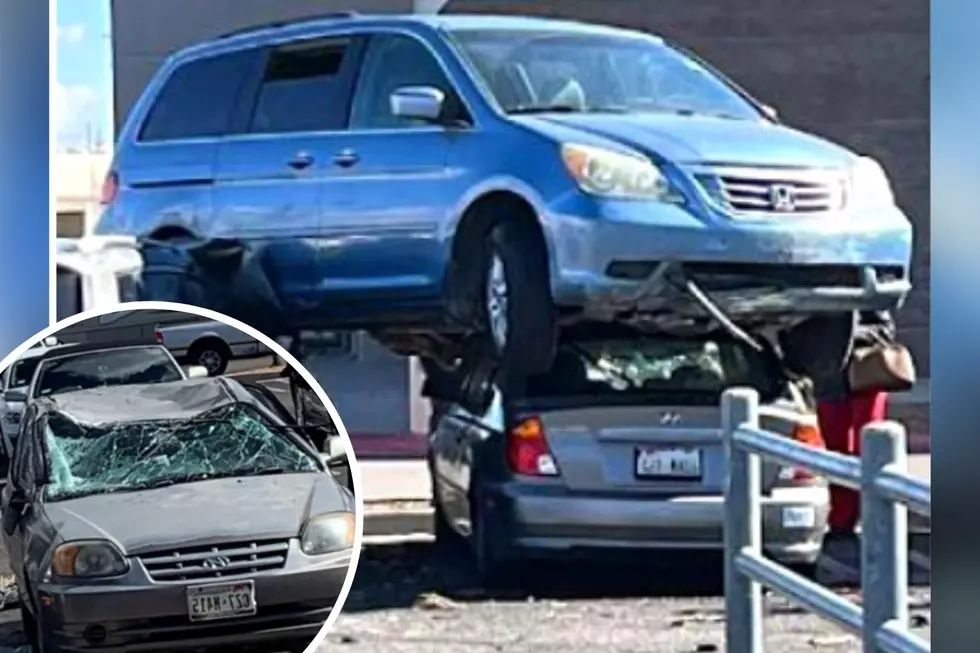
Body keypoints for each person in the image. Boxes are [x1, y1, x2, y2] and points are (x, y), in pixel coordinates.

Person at [815, 311, 898, 540]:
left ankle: (873, 514)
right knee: (836, 452)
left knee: (870, 449)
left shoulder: (865, 293)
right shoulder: (815, 298)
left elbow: (885, 329)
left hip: (865, 379)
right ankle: (842, 518)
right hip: (829, 382)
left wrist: (852, 339)